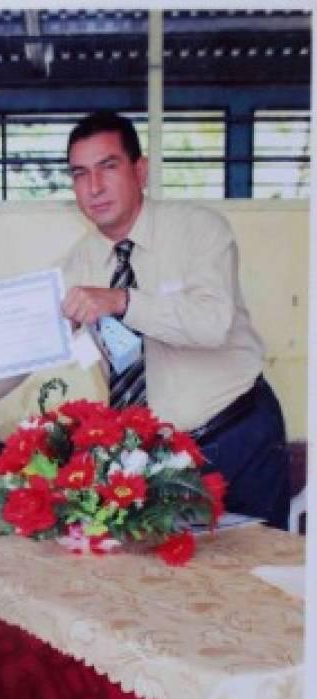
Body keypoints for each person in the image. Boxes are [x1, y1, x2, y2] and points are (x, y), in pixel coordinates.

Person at [60, 111, 291, 529]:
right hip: (154, 459)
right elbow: (36, 336)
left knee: (253, 577)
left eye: (108, 167)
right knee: (173, 585)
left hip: (238, 436)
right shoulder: (80, 263)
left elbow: (212, 322)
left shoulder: (200, 230)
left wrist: (122, 300)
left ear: (140, 170)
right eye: (80, 174)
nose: (93, 187)